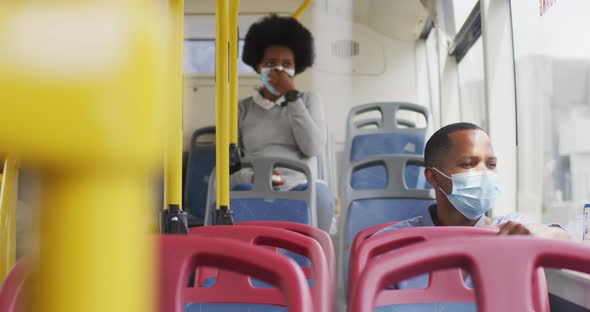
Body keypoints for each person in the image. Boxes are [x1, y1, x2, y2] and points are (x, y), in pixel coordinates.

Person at [374, 122, 569, 289]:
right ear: (433, 177)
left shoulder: (509, 229)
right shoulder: (391, 245)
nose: (485, 174)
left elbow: (563, 240)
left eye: (491, 165)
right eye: (468, 164)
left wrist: (537, 234)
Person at [230, 14, 334, 232]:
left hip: (299, 185)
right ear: (258, 66)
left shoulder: (309, 101)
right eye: (270, 63)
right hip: (254, 185)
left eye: (286, 64)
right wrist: (254, 176)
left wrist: (292, 97)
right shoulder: (242, 108)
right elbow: (230, 166)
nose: (279, 70)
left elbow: (313, 147)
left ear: (296, 69)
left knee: (322, 196)